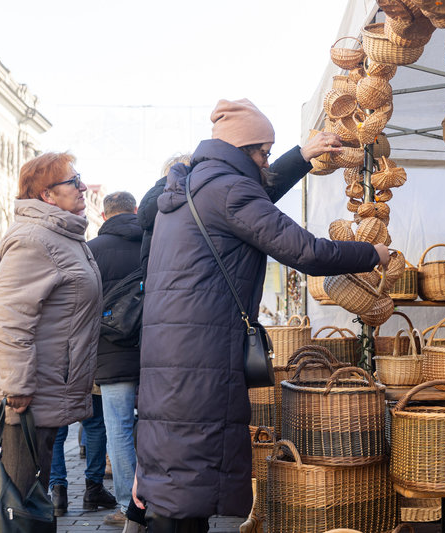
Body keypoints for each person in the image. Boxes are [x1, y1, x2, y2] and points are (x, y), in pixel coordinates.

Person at [134, 98, 388, 531]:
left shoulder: (194, 186)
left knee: (173, 471)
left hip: (172, 352)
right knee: (183, 494)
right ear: (247, 150)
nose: (267, 160)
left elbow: (253, 206)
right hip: (202, 354)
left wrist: (300, 157)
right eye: (266, 152)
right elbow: (303, 249)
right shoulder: (229, 191)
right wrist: (371, 253)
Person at [0, 152, 102, 499]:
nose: (82, 186)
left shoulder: (60, 236)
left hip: (39, 388)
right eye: (73, 181)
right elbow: (10, 319)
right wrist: (17, 388)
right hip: (20, 399)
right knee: (16, 504)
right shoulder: (34, 239)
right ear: (47, 195)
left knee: (29, 501)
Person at [87, 191, 143, 527]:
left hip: (109, 354)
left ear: (105, 216)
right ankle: (160, 498)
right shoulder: (151, 242)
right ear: (135, 211)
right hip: (154, 350)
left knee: (118, 429)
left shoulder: (91, 251)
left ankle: (127, 506)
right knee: (156, 425)